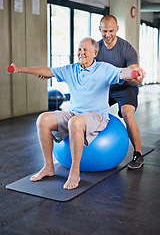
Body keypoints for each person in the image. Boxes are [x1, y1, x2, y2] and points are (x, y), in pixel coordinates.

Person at [11, 37, 145, 190]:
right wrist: (21, 69)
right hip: (74, 113)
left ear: (95, 52)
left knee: (75, 122)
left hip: (96, 116)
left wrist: (135, 72)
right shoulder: (71, 69)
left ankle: (75, 172)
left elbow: (123, 72)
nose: (81, 53)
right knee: (43, 119)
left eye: (85, 50)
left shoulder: (104, 68)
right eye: (79, 49)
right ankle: (48, 167)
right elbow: (48, 71)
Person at [97, 15, 144, 169]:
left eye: (111, 30)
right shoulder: (96, 49)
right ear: (100, 29)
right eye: (104, 31)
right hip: (106, 87)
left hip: (125, 87)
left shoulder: (126, 49)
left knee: (127, 114)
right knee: (89, 111)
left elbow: (136, 78)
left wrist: (137, 77)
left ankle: (138, 154)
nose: (108, 34)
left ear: (117, 29)